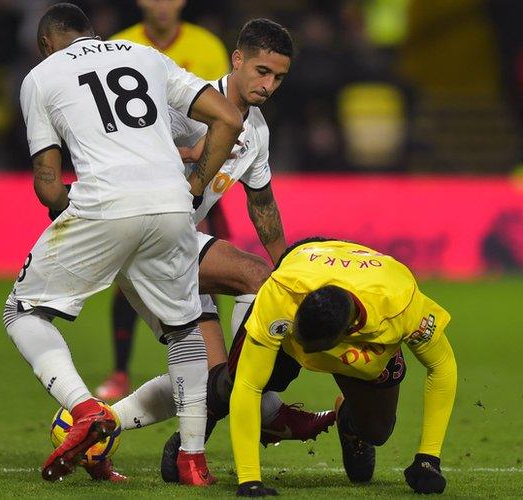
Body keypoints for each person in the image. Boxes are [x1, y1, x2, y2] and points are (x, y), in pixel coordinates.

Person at [2, 2, 242, 485]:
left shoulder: (42, 75)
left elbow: (48, 183)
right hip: (173, 206)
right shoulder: (144, 54)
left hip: (103, 203)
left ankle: (86, 409)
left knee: (23, 312)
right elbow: (229, 119)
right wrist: (195, 184)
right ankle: (193, 462)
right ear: (92, 33)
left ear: (46, 43)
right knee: (184, 331)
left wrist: (77, 213)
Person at [107, 18, 335, 483]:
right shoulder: (183, 106)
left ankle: (94, 423)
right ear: (237, 60)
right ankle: (260, 394)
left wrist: (290, 265)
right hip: (144, 235)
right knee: (256, 279)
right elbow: (126, 150)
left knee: (210, 383)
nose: (269, 85)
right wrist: (185, 154)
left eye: (278, 77)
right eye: (262, 71)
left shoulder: (257, 131)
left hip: (171, 242)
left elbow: (263, 206)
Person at [224, 237, 457, 496]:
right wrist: (249, 480)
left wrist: (429, 458)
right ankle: (190, 449)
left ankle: (348, 420)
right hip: (304, 273)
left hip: (369, 331)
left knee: (378, 432)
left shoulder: (401, 304)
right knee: (229, 384)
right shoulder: (283, 292)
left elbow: (441, 365)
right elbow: (248, 383)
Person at [97, 0, 230, 401]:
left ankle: (217, 369)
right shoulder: (118, 46)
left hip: (197, 176)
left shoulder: (207, 46)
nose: (162, 4)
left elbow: (221, 114)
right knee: (129, 280)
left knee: (213, 272)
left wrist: (197, 166)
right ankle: (120, 371)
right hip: (140, 176)